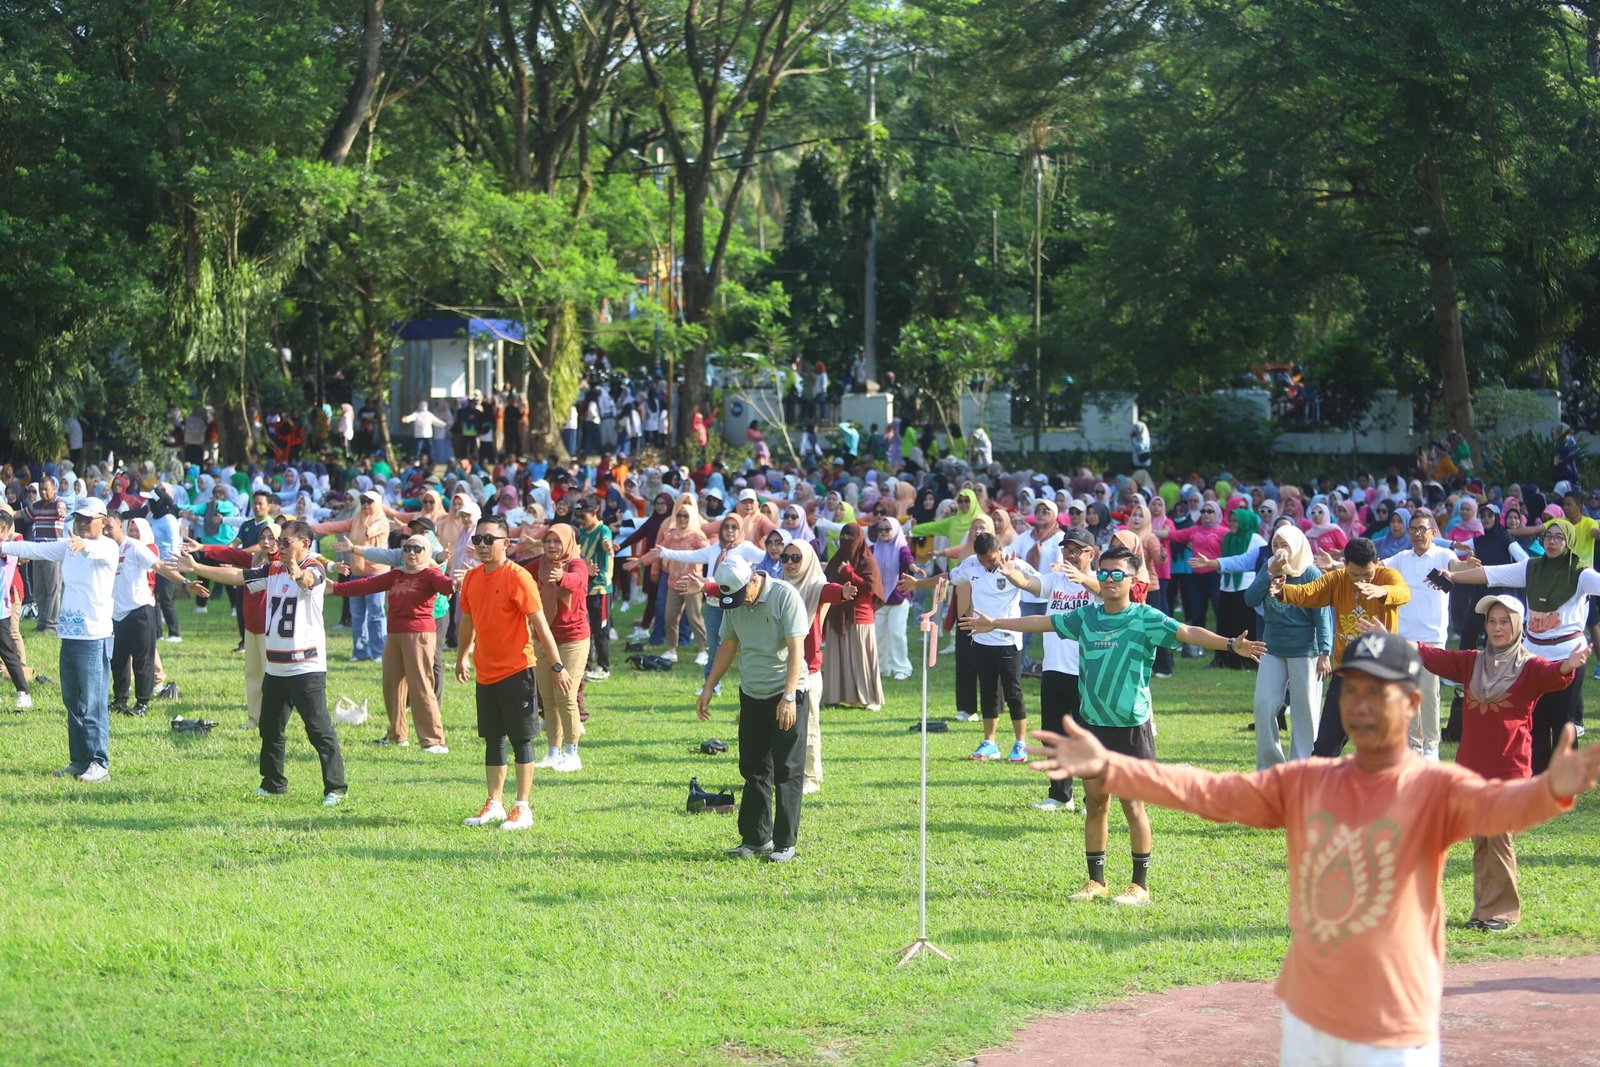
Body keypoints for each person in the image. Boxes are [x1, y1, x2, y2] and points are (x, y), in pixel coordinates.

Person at [1027, 629, 1600, 1065]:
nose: (1361, 704)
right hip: (1307, 1017)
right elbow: (1212, 792)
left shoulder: (1436, 788)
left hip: (1394, 1026)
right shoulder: (1306, 783)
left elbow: (1502, 808)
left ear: (1412, 703)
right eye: (1351, 689)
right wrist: (1114, 766)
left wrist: (1550, 790)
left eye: (1379, 691)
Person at [963, 542, 1266, 907]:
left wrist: (1232, 644)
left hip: (1131, 729)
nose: (1108, 580)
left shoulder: (1145, 618)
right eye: (1103, 573)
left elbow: (1188, 631)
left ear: (1132, 579)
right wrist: (995, 622)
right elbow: (1042, 622)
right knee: (1096, 804)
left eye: (1116, 574)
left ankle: (1139, 886)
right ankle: (1096, 881)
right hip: (1092, 726)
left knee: (1133, 806)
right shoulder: (1086, 617)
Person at [1377, 596, 1586, 931]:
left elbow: (1553, 674)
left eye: (1505, 621)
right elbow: (1434, 656)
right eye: (1492, 622)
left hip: (1509, 766)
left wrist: (1568, 665)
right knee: (1481, 839)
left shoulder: (1529, 666)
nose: (1498, 628)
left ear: (1517, 625)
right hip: (1471, 766)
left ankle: (1504, 912)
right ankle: (1484, 910)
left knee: (1497, 836)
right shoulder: (1472, 661)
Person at [187, 520, 349, 805]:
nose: (279, 546)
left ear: (305, 545)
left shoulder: (314, 567)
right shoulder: (273, 569)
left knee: (318, 729)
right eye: (279, 542)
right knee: (270, 727)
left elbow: (310, 581)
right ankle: (273, 782)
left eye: (286, 542)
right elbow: (238, 576)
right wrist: (197, 568)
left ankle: (335, 788)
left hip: (305, 666)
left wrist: (298, 574)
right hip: (275, 667)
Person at [1446, 522, 1600, 771]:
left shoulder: (1581, 573)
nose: (1551, 541)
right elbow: (1490, 574)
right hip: (1532, 657)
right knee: (1535, 718)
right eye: (1547, 536)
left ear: (1568, 541)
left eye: (1559, 537)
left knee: (1563, 720)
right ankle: (1537, 774)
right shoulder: (1532, 568)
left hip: (1567, 656)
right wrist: (1453, 576)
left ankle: (1565, 775)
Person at [455, 516, 571, 831]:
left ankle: (522, 807)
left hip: (517, 670)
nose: (481, 545)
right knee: (493, 738)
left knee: (521, 739)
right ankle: (494, 803)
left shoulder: (518, 577)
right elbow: (468, 623)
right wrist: (462, 655)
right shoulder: (472, 578)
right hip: (485, 671)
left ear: (506, 544)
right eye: (477, 539)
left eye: (488, 540)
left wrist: (557, 665)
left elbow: (540, 625)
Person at [697, 557, 810, 862]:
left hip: (786, 694)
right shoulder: (733, 604)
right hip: (752, 693)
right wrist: (709, 687)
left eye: (739, 595)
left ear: (754, 580)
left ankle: (785, 843)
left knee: (787, 769)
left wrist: (788, 697)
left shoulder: (784, 595)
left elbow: (797, 646)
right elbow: (728, 645)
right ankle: (757, 838)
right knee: (753, 767)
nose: (736, 603)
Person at [2, 497, 118, 780]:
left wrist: (84, 545)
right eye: (77, 518)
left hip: (94, 636)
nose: (80, 524)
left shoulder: (107, 546)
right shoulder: (68, 547)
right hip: (69, 634)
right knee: (72, 700)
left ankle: (99, 763)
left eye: (87, 519)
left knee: (93, 702)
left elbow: (96, 551)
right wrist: (3, 546)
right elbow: (34, 548)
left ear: (103, 521)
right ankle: (78, 761)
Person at [1271, 536, 1411, 758]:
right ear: (1344, 565)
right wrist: (1282, 591)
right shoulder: (1338, 579)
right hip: (1346, 673)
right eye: (1354, 575)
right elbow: (1309, 592)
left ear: (1377, 561)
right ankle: (1318, 789)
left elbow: (1404, 592)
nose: (1360, 581)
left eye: (1367, 575)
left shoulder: (1388, 576)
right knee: (1326, 745)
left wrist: (1383, 591)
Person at [328, 534, 455, 753]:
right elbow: (367, 584)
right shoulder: (396, 573)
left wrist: (455, 582)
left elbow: (446, 586)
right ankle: (397, 735)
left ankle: (433, 740)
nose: (411, 553)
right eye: (407, 548)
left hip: (419, 635)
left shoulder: (430, 574)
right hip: (394, 634)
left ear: (427, 553)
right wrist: (335, 588)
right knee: (392, 685)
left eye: (417, 549)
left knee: (421, 686)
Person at [1241, 525, 1331, 767]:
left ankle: (1302, 767)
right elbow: (1250, 599)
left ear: (1297, 547)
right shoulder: (1269, 567)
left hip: (1306, 651)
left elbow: (1322, 616)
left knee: (1305, 713)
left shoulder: (1310, 573)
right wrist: (1269, 571)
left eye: (1285, 546)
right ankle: (1270, 766)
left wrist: (1325, 652)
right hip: (1273, 648)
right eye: (1276, 545)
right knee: (1264, 705)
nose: (1280, 551)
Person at [951, 531, 1042, 762]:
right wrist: (919, 582)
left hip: (1007, 640)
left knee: (1013, 692)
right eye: (983, 561)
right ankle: (990, 743)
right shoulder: (972, 564)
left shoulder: (1016, 565)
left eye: (991, 559)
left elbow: (1040, 585)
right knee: (988, 691)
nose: (988, 564)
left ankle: (1020, 744)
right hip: (980, 639)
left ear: (1000, 550)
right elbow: (949, 577)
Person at [1029, 527, 1099, 810]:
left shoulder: (1098, 581)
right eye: (1066, 549)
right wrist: (1011, 574)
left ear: (1091, 554)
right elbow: (1033, 585)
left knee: (1087, 737)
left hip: (1084, 671)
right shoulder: (1056, 578)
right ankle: (1060, 795)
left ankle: (1092, 797)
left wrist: (1084, 579)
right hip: (1054, 668)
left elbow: (1109, 596)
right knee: (1053, 734)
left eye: (1076, 550)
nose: (1069, 554)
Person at [1380, 511, 1456, 761]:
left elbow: (1457, 568)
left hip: (1432, 637)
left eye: (1423, 529)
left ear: (1433, 531)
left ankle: (1431, 746)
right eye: (1413, 529)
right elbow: (1377, 567)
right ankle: (1414, 744)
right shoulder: (1402, 558)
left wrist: (1467, 566)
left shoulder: (1444, 555)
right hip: (1405, 636)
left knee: (1429, 694)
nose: (1418, 534)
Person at [527, 523, 590, 772]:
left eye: (557, 541)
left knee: (566, 695)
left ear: (568, 543)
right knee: (548, 698)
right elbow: (518, 574)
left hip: (573, 638)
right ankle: (553, 752)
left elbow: (578, 580)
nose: (552, 546)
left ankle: (572, 754)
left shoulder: (576, 563)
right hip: (544, 637)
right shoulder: (539, 564)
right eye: (548, 541)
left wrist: (561, 577)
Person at [820, 521, 886, 710]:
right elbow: (828, 582)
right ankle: (834, 696)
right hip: (837, 614)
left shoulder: (868, 561)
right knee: (837, 658)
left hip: (860, 616)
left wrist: (849, 573)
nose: (847, 542)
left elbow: (869, 589)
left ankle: (870, 698)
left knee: (862, 659)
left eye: (851, 538)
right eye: (844, 538)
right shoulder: (836, 560)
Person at [871, 516, 916, 681]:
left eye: (887, 529)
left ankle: (902, 668)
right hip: (879, 600)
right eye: (880, 529)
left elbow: (908, 559)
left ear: (895, 530)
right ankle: (882, 667)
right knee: (878, 635)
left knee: (896, 633)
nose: (883, 532)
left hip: (898, 597)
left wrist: (914, 568)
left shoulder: (901, 547)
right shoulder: (875, 548)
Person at [573, 499, 613, 681]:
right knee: (585, 629)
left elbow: (606, 542)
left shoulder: (603, 530)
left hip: (600, 588)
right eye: (577, 516)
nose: (580, 520)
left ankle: (603, 667)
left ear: (595, 511)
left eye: (583, 516)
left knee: (601, 629)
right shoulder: (581, 532)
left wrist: (608, 547)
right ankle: (585, 666)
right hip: (584, 588)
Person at [0, 508, 34, 710]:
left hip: (0, 611)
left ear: (4, 528)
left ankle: (24, 693)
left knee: (8, 653)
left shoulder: (9, 549)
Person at [24, 475, 67, 633]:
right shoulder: (36, 506)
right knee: (39, 589)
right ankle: (41, 622)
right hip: (38, 551)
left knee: (52, 589)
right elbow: (21, 514)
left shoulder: (58, 503)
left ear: (53, 488)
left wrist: (62, 513)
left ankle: (51, 624)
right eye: (41, 489)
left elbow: (62, 510)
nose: (43, 492)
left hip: (53, 551)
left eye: (46, 489)